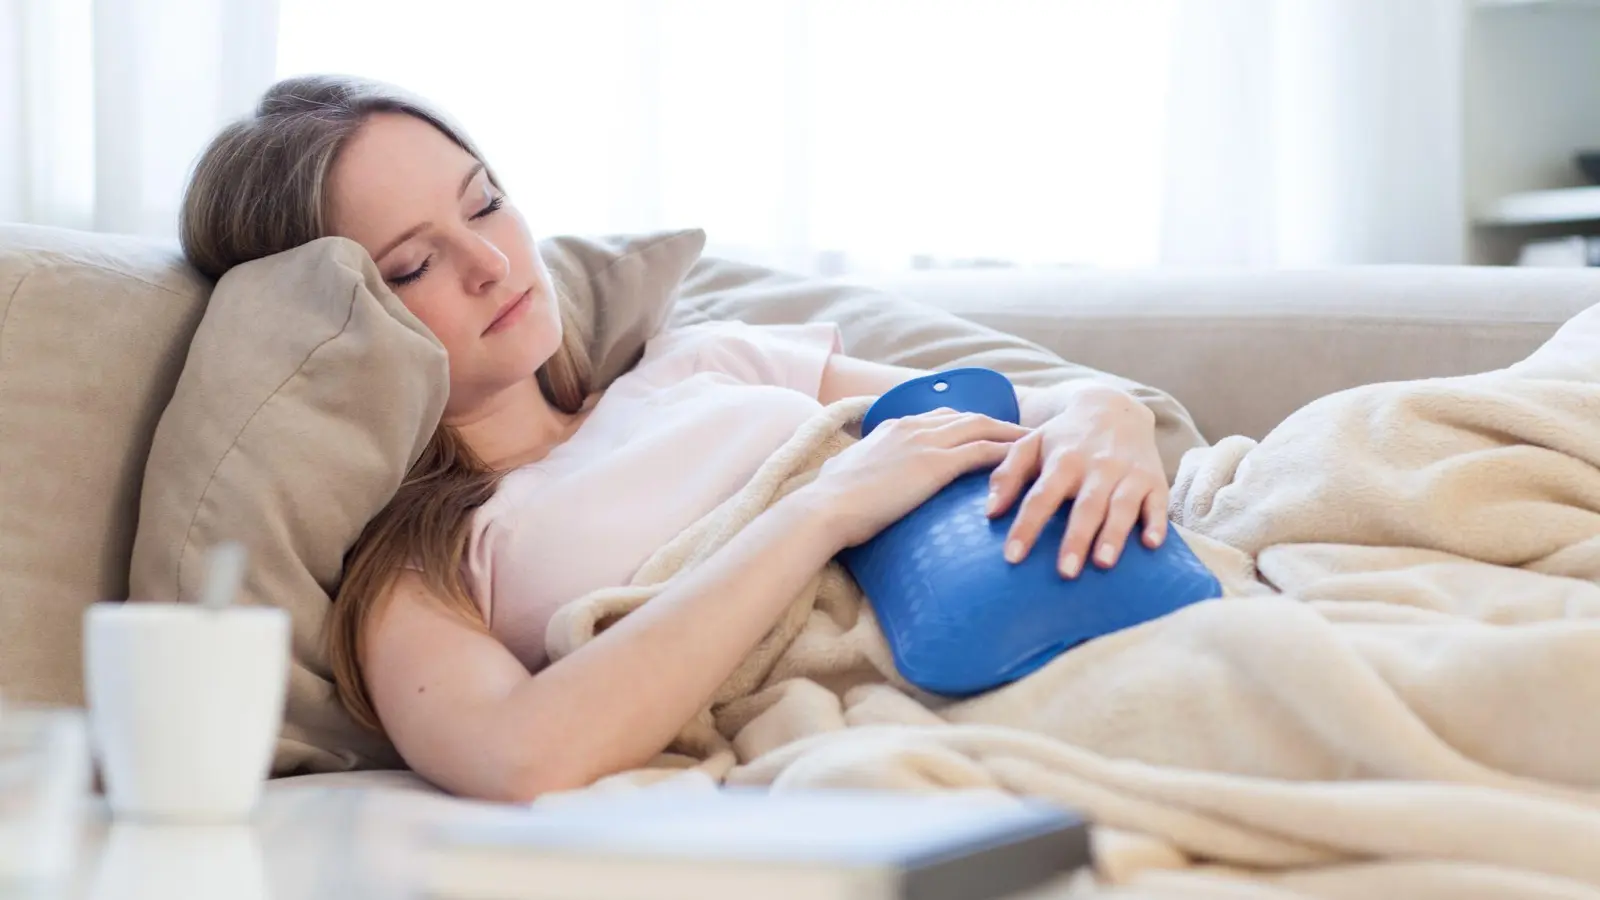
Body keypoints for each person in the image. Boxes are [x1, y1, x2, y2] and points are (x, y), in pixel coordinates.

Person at [181, 75, 1171, 802]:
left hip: (1084, 575)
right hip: (923, 689)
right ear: (332, 323)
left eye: (484, 201)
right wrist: (820, 510)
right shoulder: (424, 562)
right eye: (409, 267)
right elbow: (519, 753)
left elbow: (1020, 409)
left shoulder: (706, 361)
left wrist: (1106, 414)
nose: (489, 261)